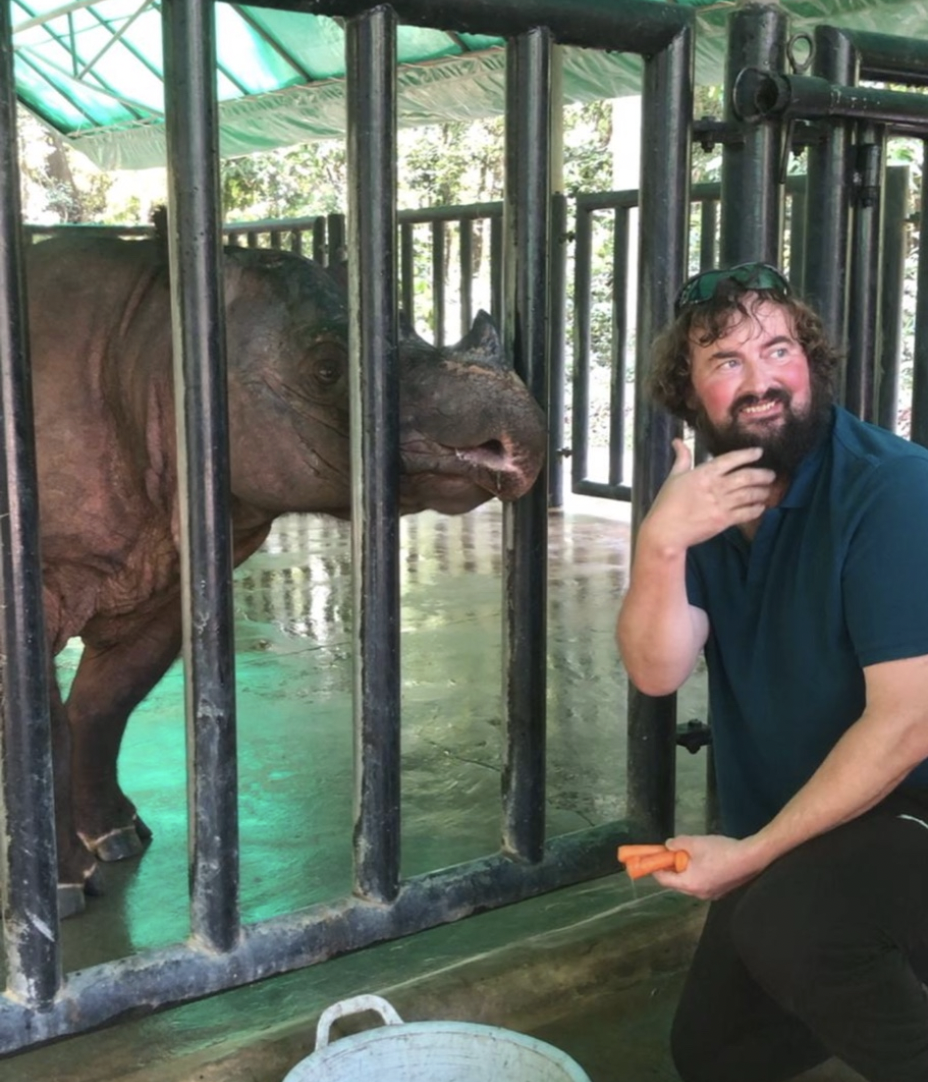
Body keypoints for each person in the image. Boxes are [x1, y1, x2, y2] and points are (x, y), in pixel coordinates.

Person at [616, 261, 928, 1082]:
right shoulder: (707, 501)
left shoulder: (891, 488)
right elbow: (657, 671)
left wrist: (750, 855)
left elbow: (908, 723)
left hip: (911, 811)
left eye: (779, 350)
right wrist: (660, 543)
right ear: (689, 395)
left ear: (811, 361)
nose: (762, 381)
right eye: (727, 362)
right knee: (717, 1055)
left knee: (786, 925)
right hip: (816, 826)